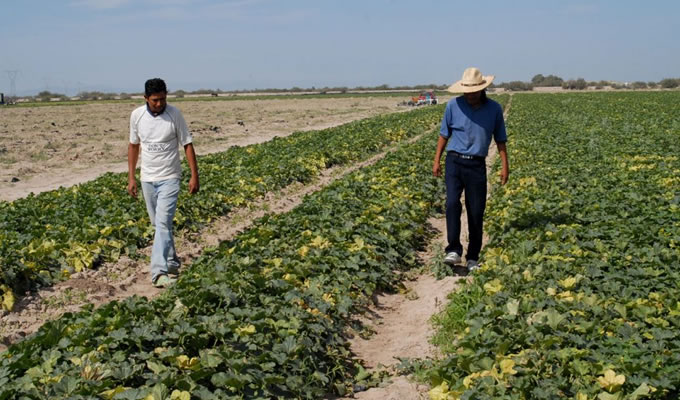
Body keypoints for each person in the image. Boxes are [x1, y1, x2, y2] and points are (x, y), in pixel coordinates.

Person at [433, 67, 509, 272]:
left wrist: (504, 166)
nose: (470, 94)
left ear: (482, 89)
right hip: (454, 161)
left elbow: (500, 139)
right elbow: (443, 135)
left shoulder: (494, 109)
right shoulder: (452, 106)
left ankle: (473, 256)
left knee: (476, 211)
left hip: (476, 164)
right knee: (451, 204)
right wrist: (437, 160)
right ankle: (453, 249)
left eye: (474, 90)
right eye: (467, 90)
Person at [127, 78, 199, 287]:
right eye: (155, 100)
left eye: (163, 99)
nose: (159, 104)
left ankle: (158, 272)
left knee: (163, 223)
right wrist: (131, 177)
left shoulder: (174, 114)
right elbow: (133, 146)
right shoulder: (137, 116)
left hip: (170, 177)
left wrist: (194, 175)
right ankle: (172, 262)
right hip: (147, 179)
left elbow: (187, 144)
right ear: (146, 98)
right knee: (159, 225)